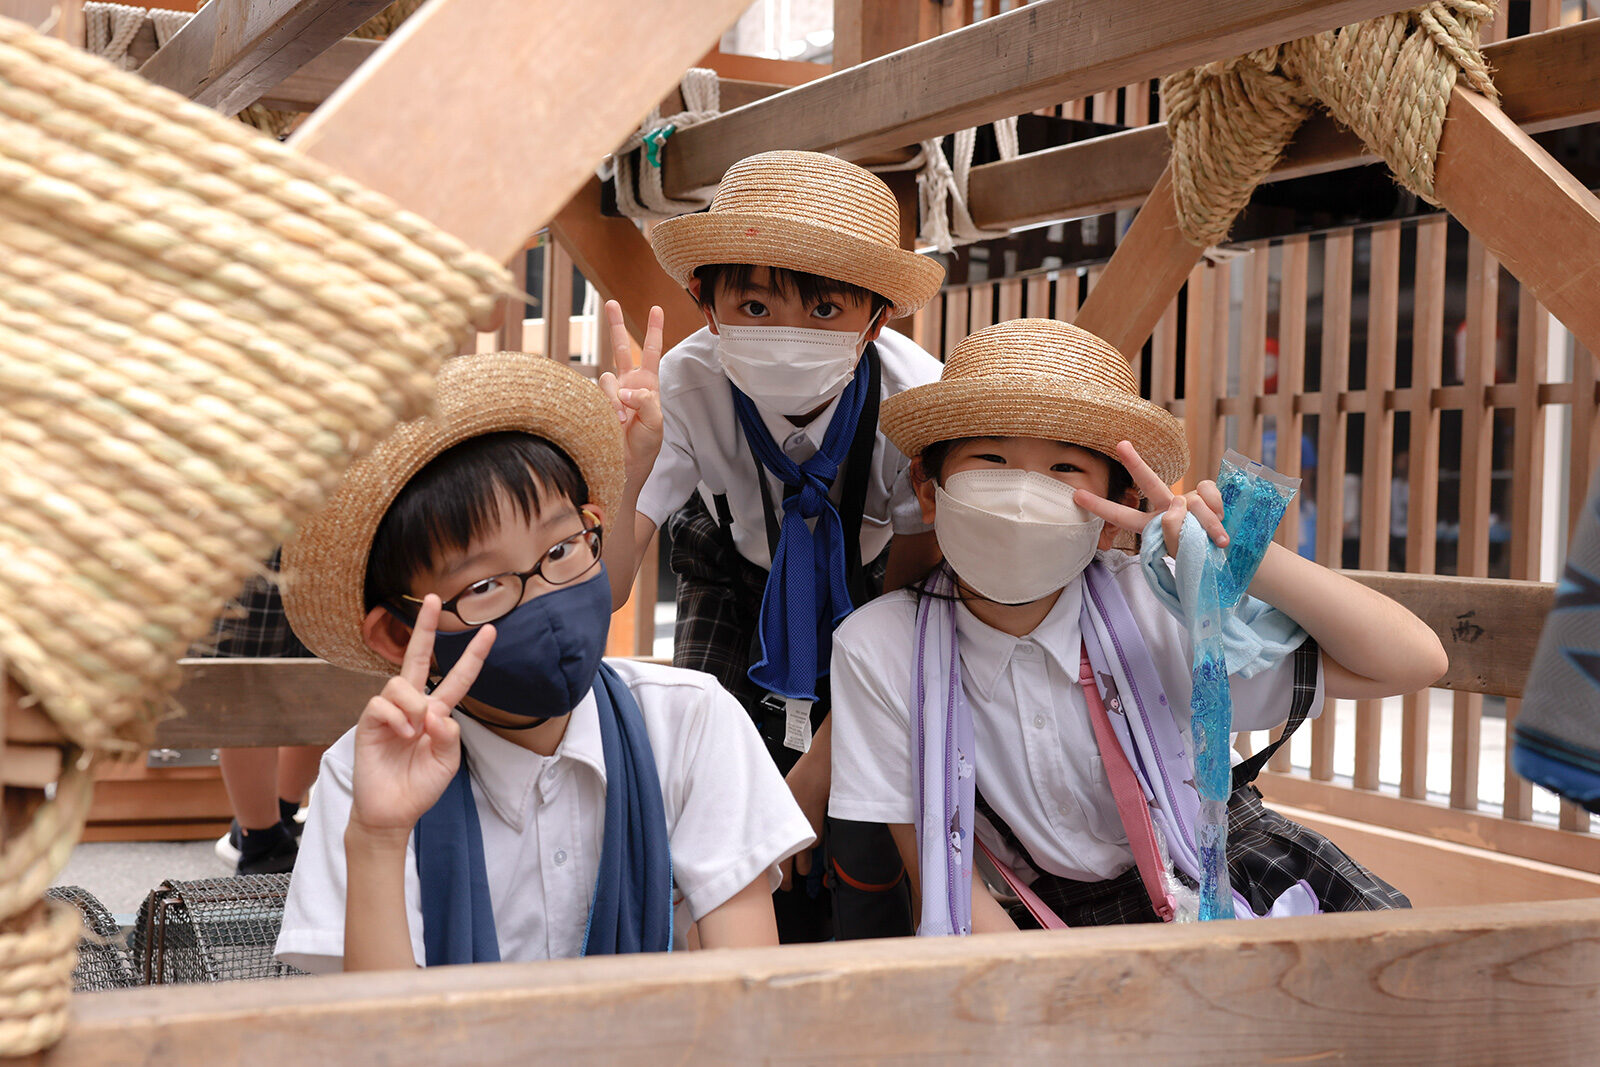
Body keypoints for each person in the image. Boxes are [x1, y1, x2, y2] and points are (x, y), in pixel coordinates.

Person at [828, 319, 1448, 932]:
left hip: (1232, 877)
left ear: (1113, 516)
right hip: (1053, 924)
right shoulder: (879, 647)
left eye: (1064, 469)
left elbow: (1416, 661)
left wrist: (1247, 561)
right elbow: (942, 869)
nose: (1022, 495)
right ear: (928, 488)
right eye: (992, 459)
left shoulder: (1164, 607)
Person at [273, 349, 813, 972]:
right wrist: (378, 838)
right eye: (483, 586)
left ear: (596, 531)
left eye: (561, 548)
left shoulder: (689, 725)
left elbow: (747, 997)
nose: (547, 598)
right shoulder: (364, 779)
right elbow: (379, 1041)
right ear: (399, 635)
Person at [608, 150, 947, 941]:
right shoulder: (686, 388)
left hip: (879, 589)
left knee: (864, 791)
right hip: (729, 570)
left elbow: (906, 622)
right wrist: (625, 472)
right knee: (710, 777)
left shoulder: (917, 407)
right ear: (706, 302)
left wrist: (814, 775)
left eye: (825, 309)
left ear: (876, 319)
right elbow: (611, 588)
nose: (787, 334)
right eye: (756, 308)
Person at [198, 550, 322, 877]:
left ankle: (278, 814)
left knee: (331, 676)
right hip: (259, 530)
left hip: (338, 529)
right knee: (245, 683)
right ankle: (262, 844)